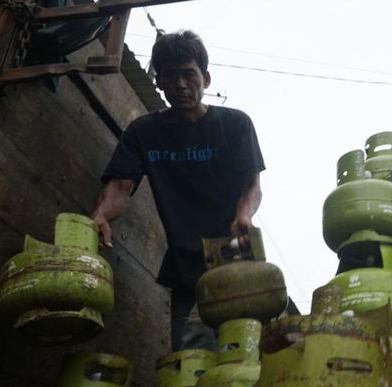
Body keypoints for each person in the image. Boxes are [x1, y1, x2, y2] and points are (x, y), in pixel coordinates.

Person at [91, 30, 265, 351]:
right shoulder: (144, 133)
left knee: (244, 349)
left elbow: (251, 185)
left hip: (235, 251)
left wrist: (244, 215)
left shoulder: (235, 125)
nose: (181, 85)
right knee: (189, 357)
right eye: (170, 77)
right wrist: (100, 215)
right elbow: (119, 186)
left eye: (189, 74)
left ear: (206, 78)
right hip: (186, 265)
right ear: (158, 82)